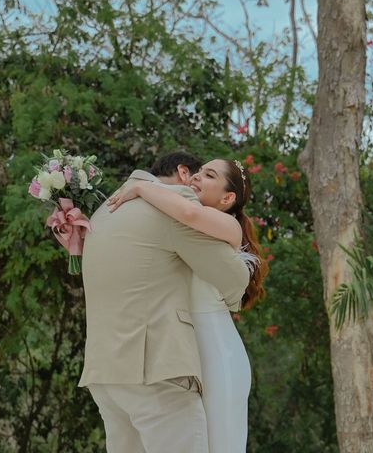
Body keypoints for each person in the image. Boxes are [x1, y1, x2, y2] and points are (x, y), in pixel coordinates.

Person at [79, 152, 250, 453]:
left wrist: (145, 189)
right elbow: (234, 281)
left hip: (106, 374)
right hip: (156, 370)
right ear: (184, 174)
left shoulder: (105, 212)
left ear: (228, 198)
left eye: (210, 176)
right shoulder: (171, 211)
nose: (198, 180)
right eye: (201, 173)